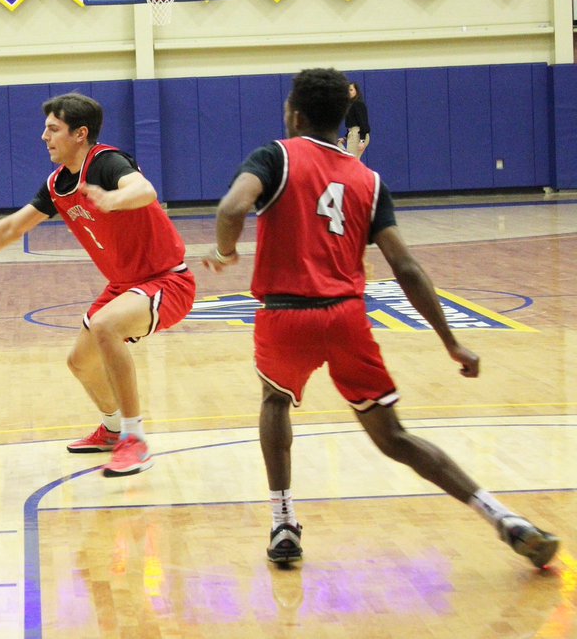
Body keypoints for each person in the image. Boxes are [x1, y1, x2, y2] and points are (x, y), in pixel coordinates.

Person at [203, 67, 559, 569]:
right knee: (394, 437)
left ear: (294, 113)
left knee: (276, 399)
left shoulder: (275, 155)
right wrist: (450, 342)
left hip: (286, 316)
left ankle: (283, 521)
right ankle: (504, 517)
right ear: (342, 117)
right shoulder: (368, 180)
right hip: (347, 318)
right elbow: (407, 268)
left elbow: (231, 206)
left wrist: (224, 252)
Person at [0, 92, 196, 478]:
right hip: (125, 285)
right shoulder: (58, 183)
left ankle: (136, 440)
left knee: (106, 326)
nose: (44, 137)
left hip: (167, 280)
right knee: (80, 362)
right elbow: (12, 227)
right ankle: (113, 430)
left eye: (53, 129)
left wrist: (113, 199)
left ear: (80, 134)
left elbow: (144, 191)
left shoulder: (107, 162)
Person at [340, 80, 370, 159]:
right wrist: (345, 137)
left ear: (356, 91)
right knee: (351, 161)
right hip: (353, 134)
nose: (349, 92)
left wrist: (362, 140)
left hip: (358, 134)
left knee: (350, 161)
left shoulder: (358, 104)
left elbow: (363, 122)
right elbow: (352, 124)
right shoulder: (351, 105)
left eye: (351, 90)